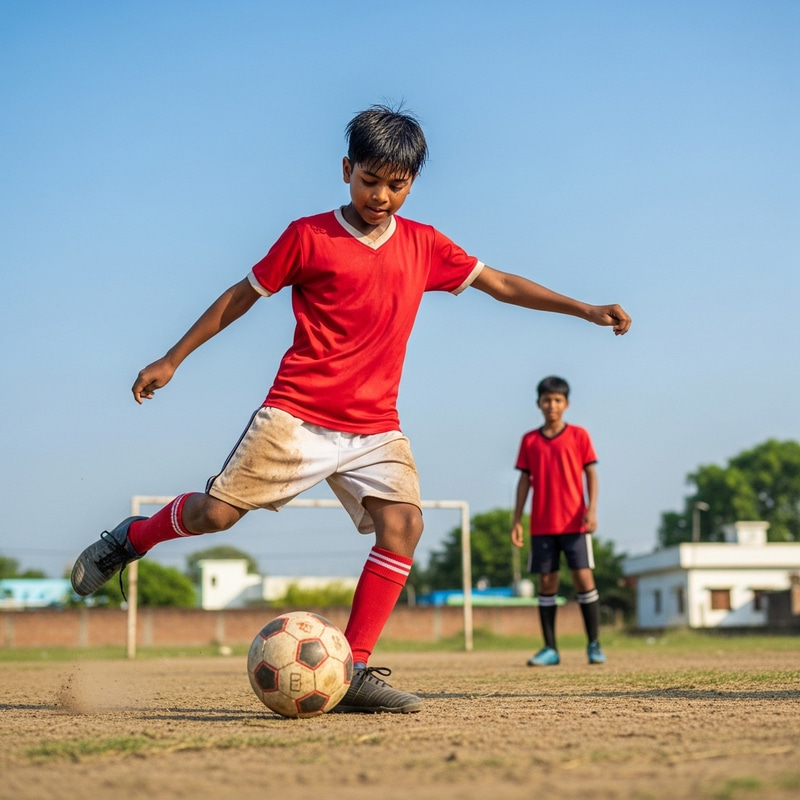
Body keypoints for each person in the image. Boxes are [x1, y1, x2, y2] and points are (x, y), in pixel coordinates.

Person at [71, 104, 630, 712]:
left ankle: (355, 668)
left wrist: (584, 309)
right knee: (217, 516)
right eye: (370, 180)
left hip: (374, 428)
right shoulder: (308, 237)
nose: (383, 196)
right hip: (296, 415)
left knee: (405, 524)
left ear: (412, 182)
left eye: (398, 184)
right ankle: (132, 539)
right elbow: (241, 296)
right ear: (346, 170)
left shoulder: (425, 245)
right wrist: (173, 358)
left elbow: (500, 284)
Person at [510, 375, 606, 666]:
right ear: (539, 403)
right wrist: (516, 519)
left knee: (583, 578)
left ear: (566, 404)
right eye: (547, 400)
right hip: (541, 524)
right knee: (547, 582)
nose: (552, 405)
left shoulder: (579, 436)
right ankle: (550, 648)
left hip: (574, 522)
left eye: (557, 400)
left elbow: (590, 473)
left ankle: (594, 644)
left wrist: (591, 510)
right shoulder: (530, 439)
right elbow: (524, 481)